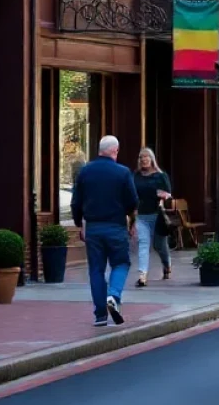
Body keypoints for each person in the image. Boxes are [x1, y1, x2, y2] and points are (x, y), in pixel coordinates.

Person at [71, 135, 138, 327]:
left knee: (96, 270)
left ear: (99, 150)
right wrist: (130, 220)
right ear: (115, 151)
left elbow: (76, 202)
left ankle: (100, 314)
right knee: (121, 263)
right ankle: (114, 296)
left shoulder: (85, 172)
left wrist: (79, 224)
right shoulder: (123, 172)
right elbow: (133, 201)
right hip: (116, 226)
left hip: (93, 228)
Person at [133, 147, 172, 287]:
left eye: (146, 157)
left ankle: (166, 265)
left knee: (160, 246)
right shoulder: (136, 176)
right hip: (142, 216)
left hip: (157, 215)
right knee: (143, 244)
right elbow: (132, 194)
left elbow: (169, 194)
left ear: (152, 159)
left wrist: (164, 196)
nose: (144, 160)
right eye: (141, 157)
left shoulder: (161, 176)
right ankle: (142, 275)